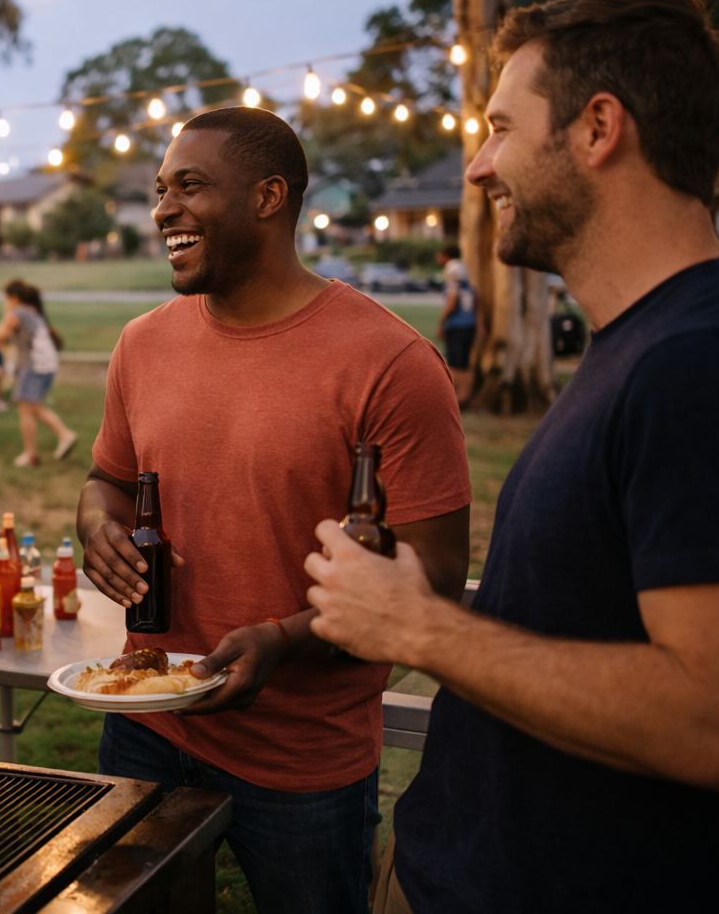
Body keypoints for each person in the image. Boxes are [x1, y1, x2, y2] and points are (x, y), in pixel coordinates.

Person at [304, 0, 719, 914]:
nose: (476, 166)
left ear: (597, 128)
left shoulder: (696, 363)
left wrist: (419, 628)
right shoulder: (644, 348)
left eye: (501, 127)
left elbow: (715, 718)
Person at [77, 107, 471, 914]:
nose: (163, 210)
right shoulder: (141, 344)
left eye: (190, 187)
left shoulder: (392, 362)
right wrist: (96, 525)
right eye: (160, 190)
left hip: (303, 757)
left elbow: (432, 574)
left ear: (268, 197)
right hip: (145, 718)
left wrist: (285, 642)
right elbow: (105, 479)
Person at [0, 280, 76, 466]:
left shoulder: (16, 312)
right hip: (46, 365)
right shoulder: (33, 312)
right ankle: (63, 436)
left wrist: (6, 311)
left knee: (26, 410)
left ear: (13, 298)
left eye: (5, 298)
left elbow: (0, 335)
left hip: (33, 366)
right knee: (33, 408)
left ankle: (32, 453)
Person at [435, 242, 476, 405]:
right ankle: (465, 395)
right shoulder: (468, 285)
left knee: (454, 362)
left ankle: (455, 397)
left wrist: (441, 322)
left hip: (456, 325)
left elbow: (452, 303)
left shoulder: (452, 280)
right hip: (469, 324)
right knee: (465, 362)